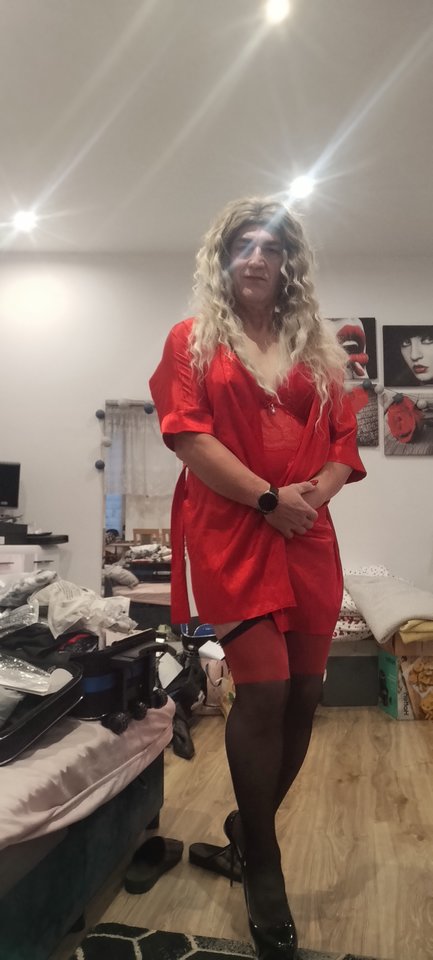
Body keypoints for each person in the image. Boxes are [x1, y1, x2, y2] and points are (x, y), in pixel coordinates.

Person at [150, 196, 366, 960]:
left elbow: (341, 443)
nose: (256, 257)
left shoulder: (319, 350)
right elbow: (187, 435)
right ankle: (264, 868)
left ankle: (245, 830)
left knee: (306, 694)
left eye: (270, 247)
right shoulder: (190, 340)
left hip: (305, 533)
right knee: (265, 692)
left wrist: (309, 498)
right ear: (224, 258)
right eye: (242, 244)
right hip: (233, 531)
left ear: (287, 263)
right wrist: (268, 499)